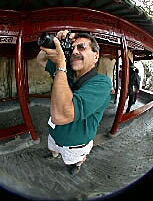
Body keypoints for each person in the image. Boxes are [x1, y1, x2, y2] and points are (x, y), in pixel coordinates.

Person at [36, 30, 112, 175]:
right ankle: (54, 154)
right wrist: (55, 44)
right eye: (72, 49)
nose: (75, 52)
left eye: (82, 47)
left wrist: (61, 65)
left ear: (96, 56)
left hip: (75, 145)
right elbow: (40, 59)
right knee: (53, 149)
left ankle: (76, 164)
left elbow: (61, 115)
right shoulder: (67, 72)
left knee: (71, 161)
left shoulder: (102, 83)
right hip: (54, 134)